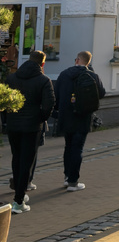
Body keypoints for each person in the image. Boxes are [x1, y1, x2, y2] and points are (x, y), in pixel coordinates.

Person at [6, 49, 55, 214]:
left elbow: (4, 100)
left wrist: (6, 120)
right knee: (27, 162)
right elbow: (49, 104)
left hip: (13, 125)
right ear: (42, 63)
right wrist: (40, 118)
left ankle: (19, 194)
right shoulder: (43, 80)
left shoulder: (12, 78)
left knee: (16, 158)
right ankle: (19, 201)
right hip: (32, 127)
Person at [54, 50, 105, 192]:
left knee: (68, 147)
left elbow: (56, 94)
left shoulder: (64, 74)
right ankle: (73, 181)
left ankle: (66, 177)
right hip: (83, 116)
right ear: (88, 62)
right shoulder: (92, 75)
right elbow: (101, 93)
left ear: (77, 60)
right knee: (78, 148)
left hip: (66, 116)